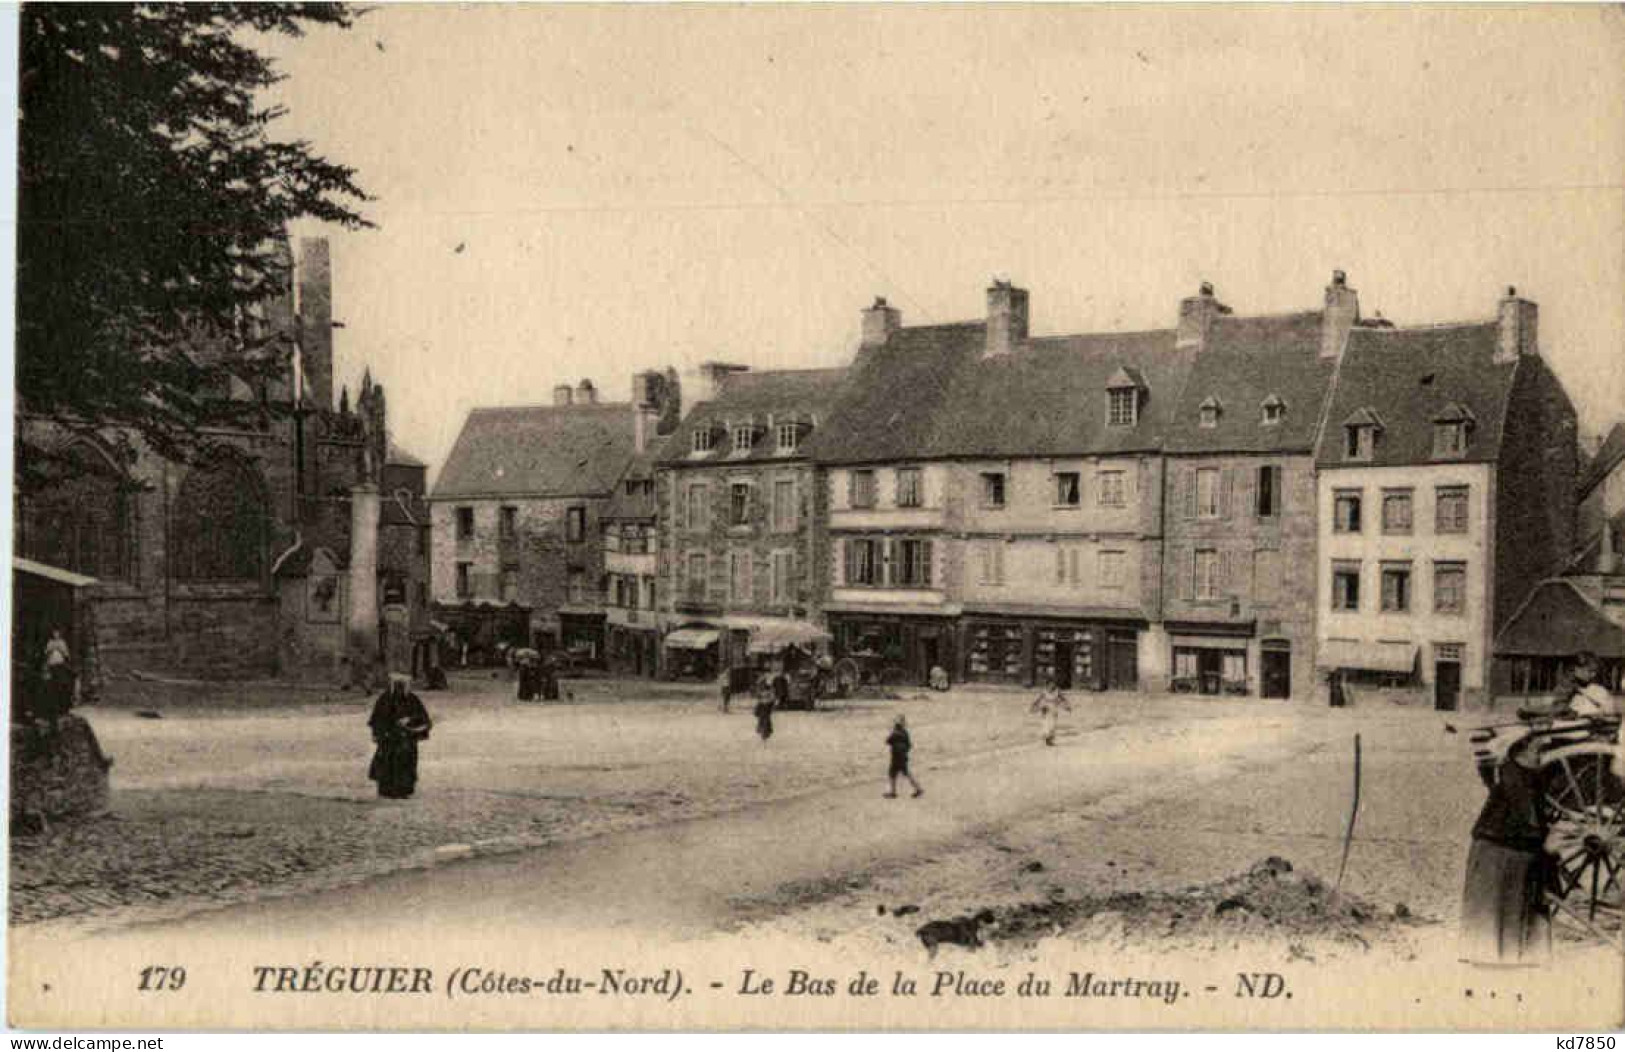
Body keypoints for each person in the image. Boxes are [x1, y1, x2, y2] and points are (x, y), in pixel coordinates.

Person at [1460, 732, 1551, 965]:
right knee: (1496, 908)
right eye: (1535, 751)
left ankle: (1504, 955)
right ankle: (1491, 956)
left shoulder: (1525, 775)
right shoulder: (1513, 775)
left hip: (1512, 849)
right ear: (1518, 752)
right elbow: (1528, 816)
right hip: (1499, 848)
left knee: (1512, 908)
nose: (1539, 756)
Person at [367, 674, 433, 799]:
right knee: (387, 762)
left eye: (402, 685)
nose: (399, 688)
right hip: (389, 738)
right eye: (397, 685)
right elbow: (377, 718)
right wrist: (380, 732)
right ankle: (387, 790)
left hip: (406, 739)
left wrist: (409, 720)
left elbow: (423, 717)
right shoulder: (385, 699)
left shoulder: (412, 699)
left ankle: (403, 790)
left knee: (406, 763)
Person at [885, 715, 924, 798]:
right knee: (903, 773)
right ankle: (917, 789)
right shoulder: (905, 732)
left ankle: (894, 792)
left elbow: (888, 741)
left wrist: (891, 732)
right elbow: (909, 745)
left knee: (893, 773)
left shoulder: (895, 733)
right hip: (903, 756)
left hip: (896, 757)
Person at [1031, 677, 1071, 746]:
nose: (1052, 686)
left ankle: (1050, 740)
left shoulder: (1057, 691)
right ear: (1047, 684)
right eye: (1050, 684)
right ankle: (1047, 739)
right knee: (1046, 724)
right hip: (1046, 710)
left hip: (1054, 709)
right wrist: (1034, 706)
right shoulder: (1044, 691)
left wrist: (1066, 706)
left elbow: (1063, 699)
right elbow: (1038, 699)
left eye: (1053, 684)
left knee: (1053, 725)